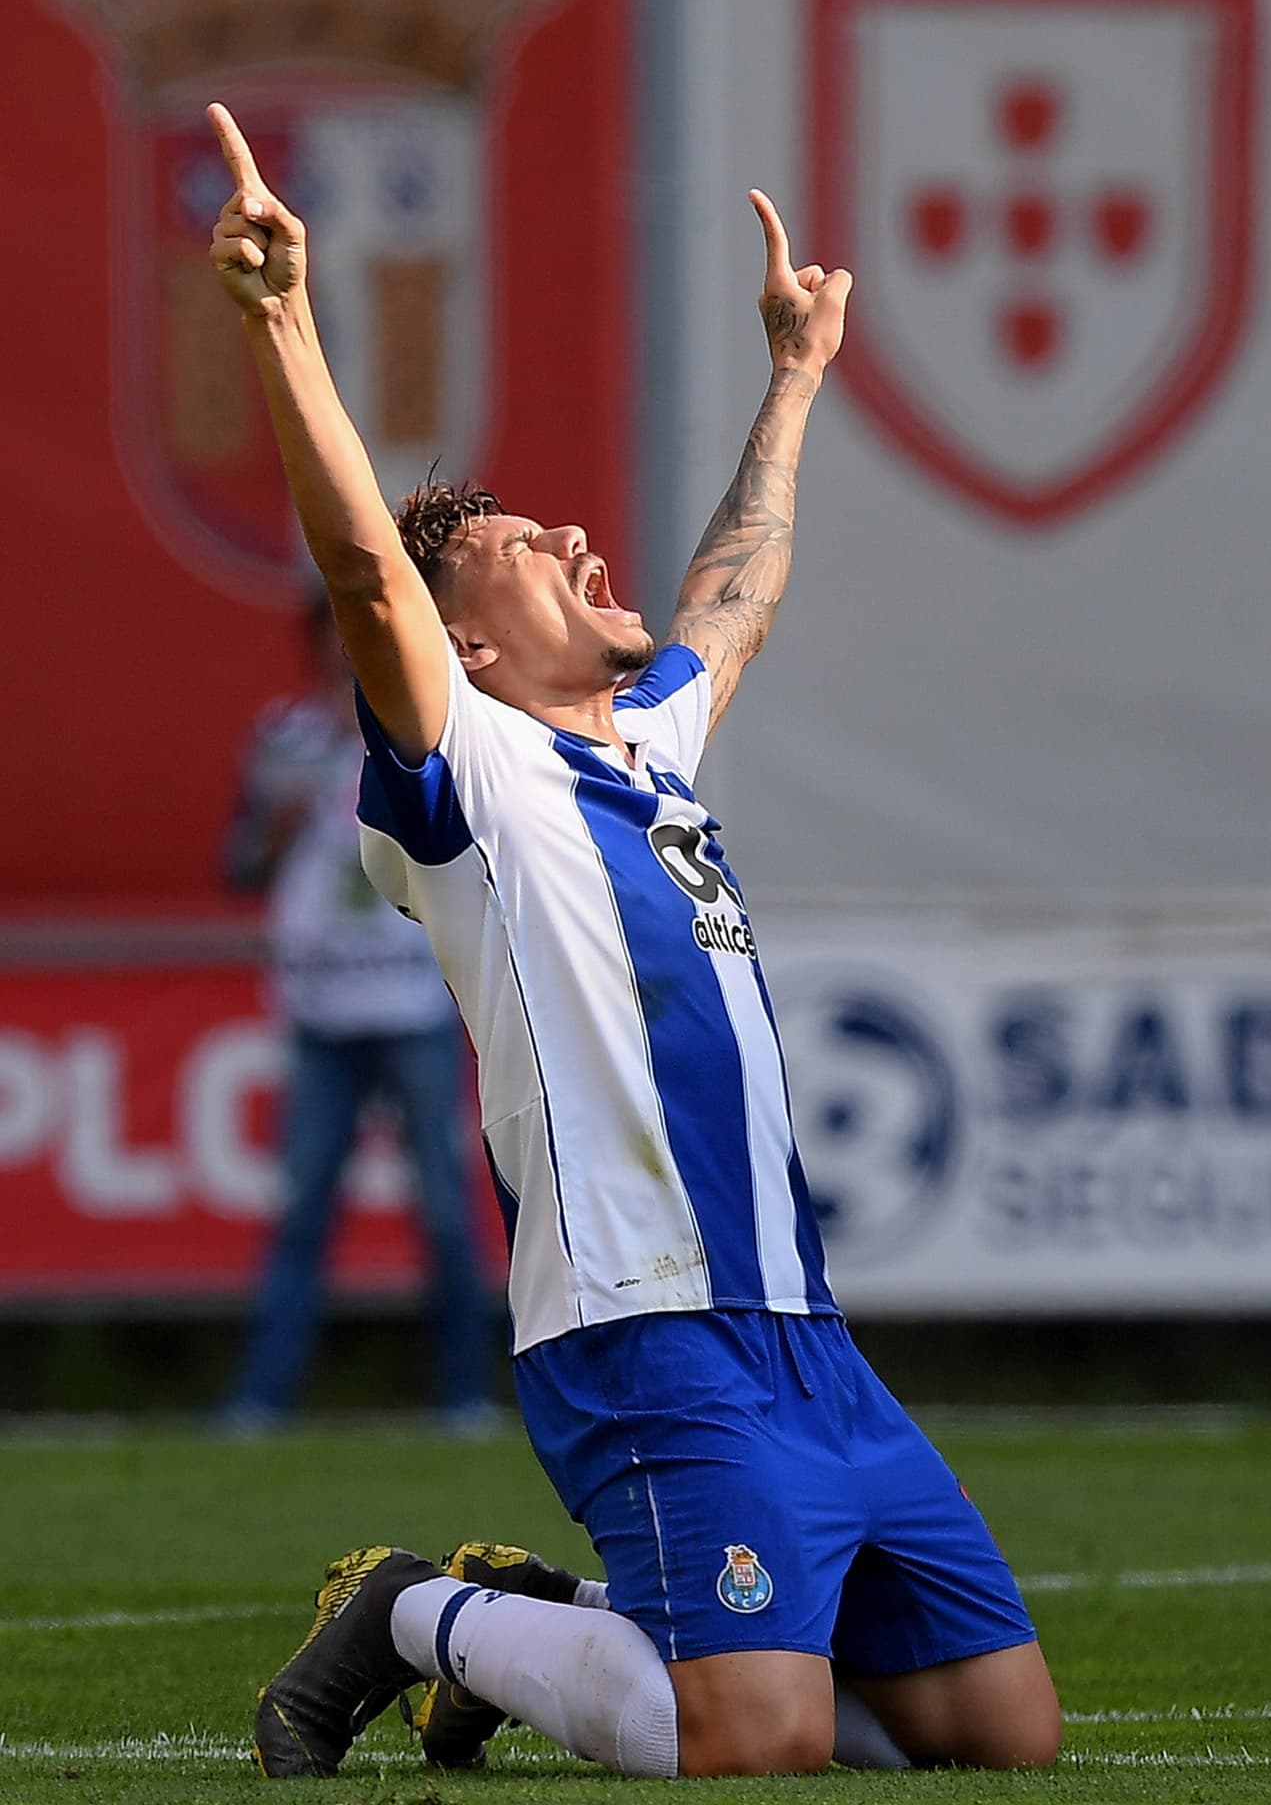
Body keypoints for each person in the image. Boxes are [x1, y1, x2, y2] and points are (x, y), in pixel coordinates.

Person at [206, 100, 1062, 1779]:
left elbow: (737, 592)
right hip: (641, 1322)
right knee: (758, 1743)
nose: (576, 541)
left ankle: (571, 1614)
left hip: (804, 1333)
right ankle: (413, 1614)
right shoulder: (466, 769)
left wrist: (795, 378)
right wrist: (285, 317)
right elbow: (368, 576)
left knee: (1000, 1737)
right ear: (464, 646)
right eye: (524, 550)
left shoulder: (647, 744)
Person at [220, 594, 497, 1434]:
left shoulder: (426, 734)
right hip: (321, 1008)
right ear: (312, 648)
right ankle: (263, 1402)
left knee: (446, 1211)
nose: (346, 657)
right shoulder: (285, 740)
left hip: (411, 1001)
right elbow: (239, 866)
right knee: (302, 1210)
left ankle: (466, 1397)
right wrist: (278, 825)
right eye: (333, 642)